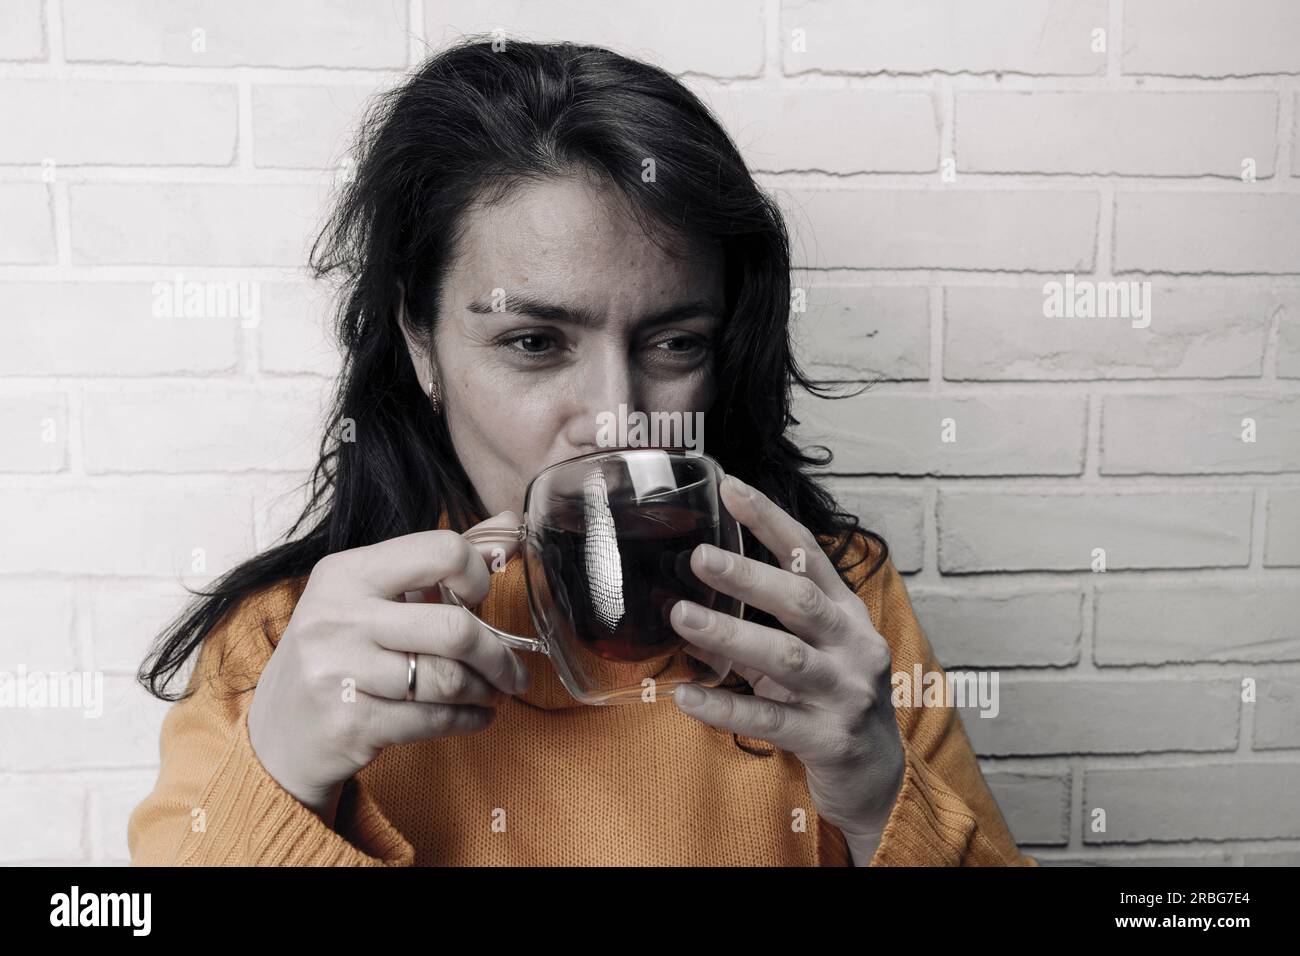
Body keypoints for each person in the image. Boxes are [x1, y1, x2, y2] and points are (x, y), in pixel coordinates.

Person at [128, 36, 1035, 867]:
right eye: (534, 343)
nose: (617, 420)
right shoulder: (287, 644)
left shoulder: (831, 615)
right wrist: (280, 776)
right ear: (418, 340)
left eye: (675, 342)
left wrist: (881, 797)